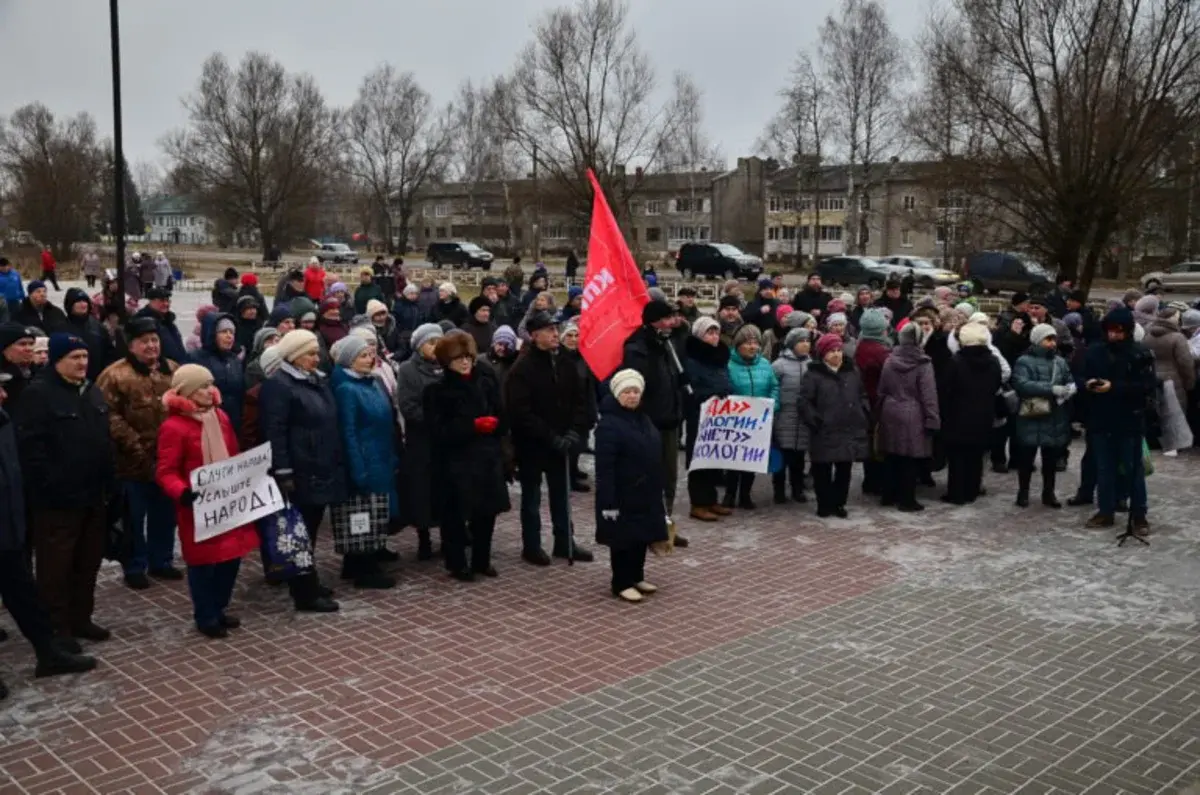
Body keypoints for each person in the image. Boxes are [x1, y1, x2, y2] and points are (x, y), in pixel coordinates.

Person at [0, 371, 98, 698]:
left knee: (24, 595)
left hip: (9, 527)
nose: (3, 395)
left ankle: (48, 652)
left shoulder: (2, 423)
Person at [15, 333, 115, 646]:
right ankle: (56, 631)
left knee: (87, 563)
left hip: (93, 496)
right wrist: (51, 487)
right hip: (58, 502)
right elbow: (31, 451)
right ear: (57, 360)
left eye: (84, 357)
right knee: (55, 570)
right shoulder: (39, 395)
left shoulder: (92, 391)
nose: (82, 363)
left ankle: (81, 618)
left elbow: (104, 439)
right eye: (74, 358)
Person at [156, 364, 259, 638]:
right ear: (188, 391)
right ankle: (205, 614)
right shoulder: (174, 427)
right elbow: (166, 471)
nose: (210, 389)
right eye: (203, 385)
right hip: (196, 504)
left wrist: (244, 479)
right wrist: (182, 492)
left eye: (211, 383)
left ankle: (220, 606)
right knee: (203, 562)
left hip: (226, 498)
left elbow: (234, 454)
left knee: (231, 556)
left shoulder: (220, 416)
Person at [259, 329, 344, 612]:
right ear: (294, 356)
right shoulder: (279, 385)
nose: (316, 358)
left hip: (321, 464)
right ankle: (303, 592)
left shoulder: (316, 381)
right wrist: (283, 469)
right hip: (299, 468)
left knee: (311, 530)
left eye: (316, 352)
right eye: (310, 354)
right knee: (300, 531)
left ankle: (310, 580)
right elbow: (275, 430)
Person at [97, 317, 180, 589]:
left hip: (168, 461)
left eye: (154, 340)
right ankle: (134, 564)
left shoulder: (173, 371)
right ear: (131, 345)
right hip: (131, 463)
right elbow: (107, 415)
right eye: (144, 341)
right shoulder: (115, 375)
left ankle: (162, 560)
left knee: (165, 515)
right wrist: (133, 444)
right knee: (133, 517)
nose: (151, 346)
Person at [504, 311, 593, 565]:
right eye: (549, 330)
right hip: (533, 445)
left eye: (556, 329)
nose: (555, 334)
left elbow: (579, 400)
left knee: (562, 495)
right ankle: (531, 545)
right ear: (534, 336)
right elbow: (521, 412)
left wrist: (574, 431)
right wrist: (550, 436)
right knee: (532, 498)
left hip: (562, 442)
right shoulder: (522, 368)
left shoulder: (565, 362)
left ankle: (565, 543)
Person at [424, 332, 510, 580]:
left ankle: (481, 560)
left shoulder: (485, 379)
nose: (464, 363)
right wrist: (471, 426)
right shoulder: (437, 391)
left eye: (468, 357)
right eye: (458, 358)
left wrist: (497, 424)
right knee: (454, 516)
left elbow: (502, 413)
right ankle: (457, 562)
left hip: (486, 457)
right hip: (455, 462)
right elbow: (437, 431)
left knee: (487, 513)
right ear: (446, 361)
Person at [594, 369, 668, 603]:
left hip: (645, 491)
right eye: (627, 391)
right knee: (623, 539)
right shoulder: (608, 425)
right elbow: (604, 468)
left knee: (642, 536)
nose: (632, 396)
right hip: (622, 492)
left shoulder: (643, 418)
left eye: (636, 391)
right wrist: (608, 501)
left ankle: (637, 576)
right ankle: (621, 582)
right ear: (617, 394)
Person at [330, 336, 398, 589]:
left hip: (381, 456)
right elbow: (347, 431)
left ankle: (357, 560)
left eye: (370, 355)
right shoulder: (347, 389)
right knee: (362, 513)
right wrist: (357, 466)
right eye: (363, 356)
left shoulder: (374, 383)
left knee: (375, 510)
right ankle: (365, 568)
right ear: (349, 360)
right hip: (364, 459)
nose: (370, 360)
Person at [619, 300, 687, 520]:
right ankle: (648, 522)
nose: (672, 323)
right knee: (648, 475)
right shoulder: (637, 349)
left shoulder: (668, 345)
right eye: (667, 318)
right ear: (654, 322)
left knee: (669, 476)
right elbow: (636, 387)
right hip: (649, 422)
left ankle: (665, 522)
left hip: (670, 420)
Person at [799, 335, 869, 518]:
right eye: (832, 351)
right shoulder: (813, 375)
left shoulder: (851, 371)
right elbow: (805, 401)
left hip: (848, 427)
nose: (836, 354)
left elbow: (861, 394)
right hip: (824, 429)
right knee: (822, 469)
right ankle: (824, 503)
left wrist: (863, 411)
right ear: (823, 354)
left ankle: (839, 503)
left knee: (844, 469)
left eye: (838, 350)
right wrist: (815, 420)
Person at [876, 322, 941, 512]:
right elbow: (929, 395)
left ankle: (888, 495)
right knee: (910, 458)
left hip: (890, 409)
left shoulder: (890, 360)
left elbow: (882, 388)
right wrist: (933, 419)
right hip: (914, 413)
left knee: (891, 454)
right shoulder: (923, 364)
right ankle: (907, 500)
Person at [395, 323, 446, 561]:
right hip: (421, 440)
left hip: (445, 441)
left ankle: (449, 536)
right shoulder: (408, 370)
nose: (435, 348)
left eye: (439, 342)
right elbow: (407, 405)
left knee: (445, 490)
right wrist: (434, 420)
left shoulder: (447, 367)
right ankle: (423, 538)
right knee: (422, 491)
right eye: (431, 343)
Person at [1011, 324, 1074, 508]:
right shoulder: (1024, 361)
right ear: (1038, 340)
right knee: (1026, 458)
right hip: (1032, 413)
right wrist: (1051, 389)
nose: (1052, 343)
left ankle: (1049, 493)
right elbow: (1022, 384)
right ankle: (1023, 492)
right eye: (1048, 339)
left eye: (1053, 339)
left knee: (1050, 460)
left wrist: (1069, 390)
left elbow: (1068, 379)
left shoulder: (1060, 362)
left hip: (1055, 414)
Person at [940, 322, 1003, 505]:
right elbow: (997, 384)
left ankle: (956, 492)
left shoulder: (955, 362)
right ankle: (972, 489)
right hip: (983, 414)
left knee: (957, 457)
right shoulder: (993, 361)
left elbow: (946, 389)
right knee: (976, 455)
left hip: (957, 414)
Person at [723, 325, 780, 510]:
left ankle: (745, 494)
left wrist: (772, 403)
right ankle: (730, 494)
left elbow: (774, 386)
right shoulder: (728, 364)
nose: (753, 346)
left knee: (751, 459)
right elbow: (724, 389)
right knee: (733, 459)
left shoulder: (764, 364)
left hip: (758, 421)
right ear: (738, 344)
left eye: (756, 343)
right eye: (748, 342)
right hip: (736, 420)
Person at [683, 317, 734, 521]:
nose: (714, 337)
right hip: (700, 415)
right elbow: (692, 389)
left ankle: (711, 499)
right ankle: (698, 503)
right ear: (699, 336)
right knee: (699, 458)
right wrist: (713, 393)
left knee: (714, 457)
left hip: (718, 415)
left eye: (716, 332)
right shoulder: (692, 359)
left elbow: (725, 379)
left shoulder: (720, 356)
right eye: (709, 333)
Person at [1143, 307, 1196, 456]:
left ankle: (1154, 440)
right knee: (1174, 411)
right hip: (1173, 377)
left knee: (1156, 409)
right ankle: (1173, 443)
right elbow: (1185, 362)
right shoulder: (1177, 337)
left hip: (1153, 375)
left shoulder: (1148, 334)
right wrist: (1190, 382)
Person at [772, 328, 813, 504]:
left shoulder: (811, 365)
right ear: (792, 344)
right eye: (801, 341)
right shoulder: (779, 365)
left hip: (803, 419)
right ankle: (779, 491)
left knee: (799, 458)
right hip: (783, 417)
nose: (805, 344)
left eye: (807, 341)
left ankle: (797, 489)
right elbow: (772, 388)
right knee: (781, 458)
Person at [190, 313, 247, 432]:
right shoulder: (196, 359)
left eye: (232, 332)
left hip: (233, 422)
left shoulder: (235, 360)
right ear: (212, 334)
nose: (229, 336)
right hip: (206, 423)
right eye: (224, 331)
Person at [559, 321, 598, 493]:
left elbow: (590, 385)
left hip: (583, 408)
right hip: (567, 410)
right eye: (569, 335)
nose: (573, 339)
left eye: (576, 335)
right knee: (571, 445)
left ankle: (574, 469)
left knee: (580, 444)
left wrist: (592, 410)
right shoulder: (559, 359)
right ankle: (568, 478)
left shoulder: (584, 358)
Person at [136, 288, 189, 366]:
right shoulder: (143, 322)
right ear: (151, 301)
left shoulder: (168, 320)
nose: (166, 304)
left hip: (177, 366)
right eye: (162, 301)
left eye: (167, 301)